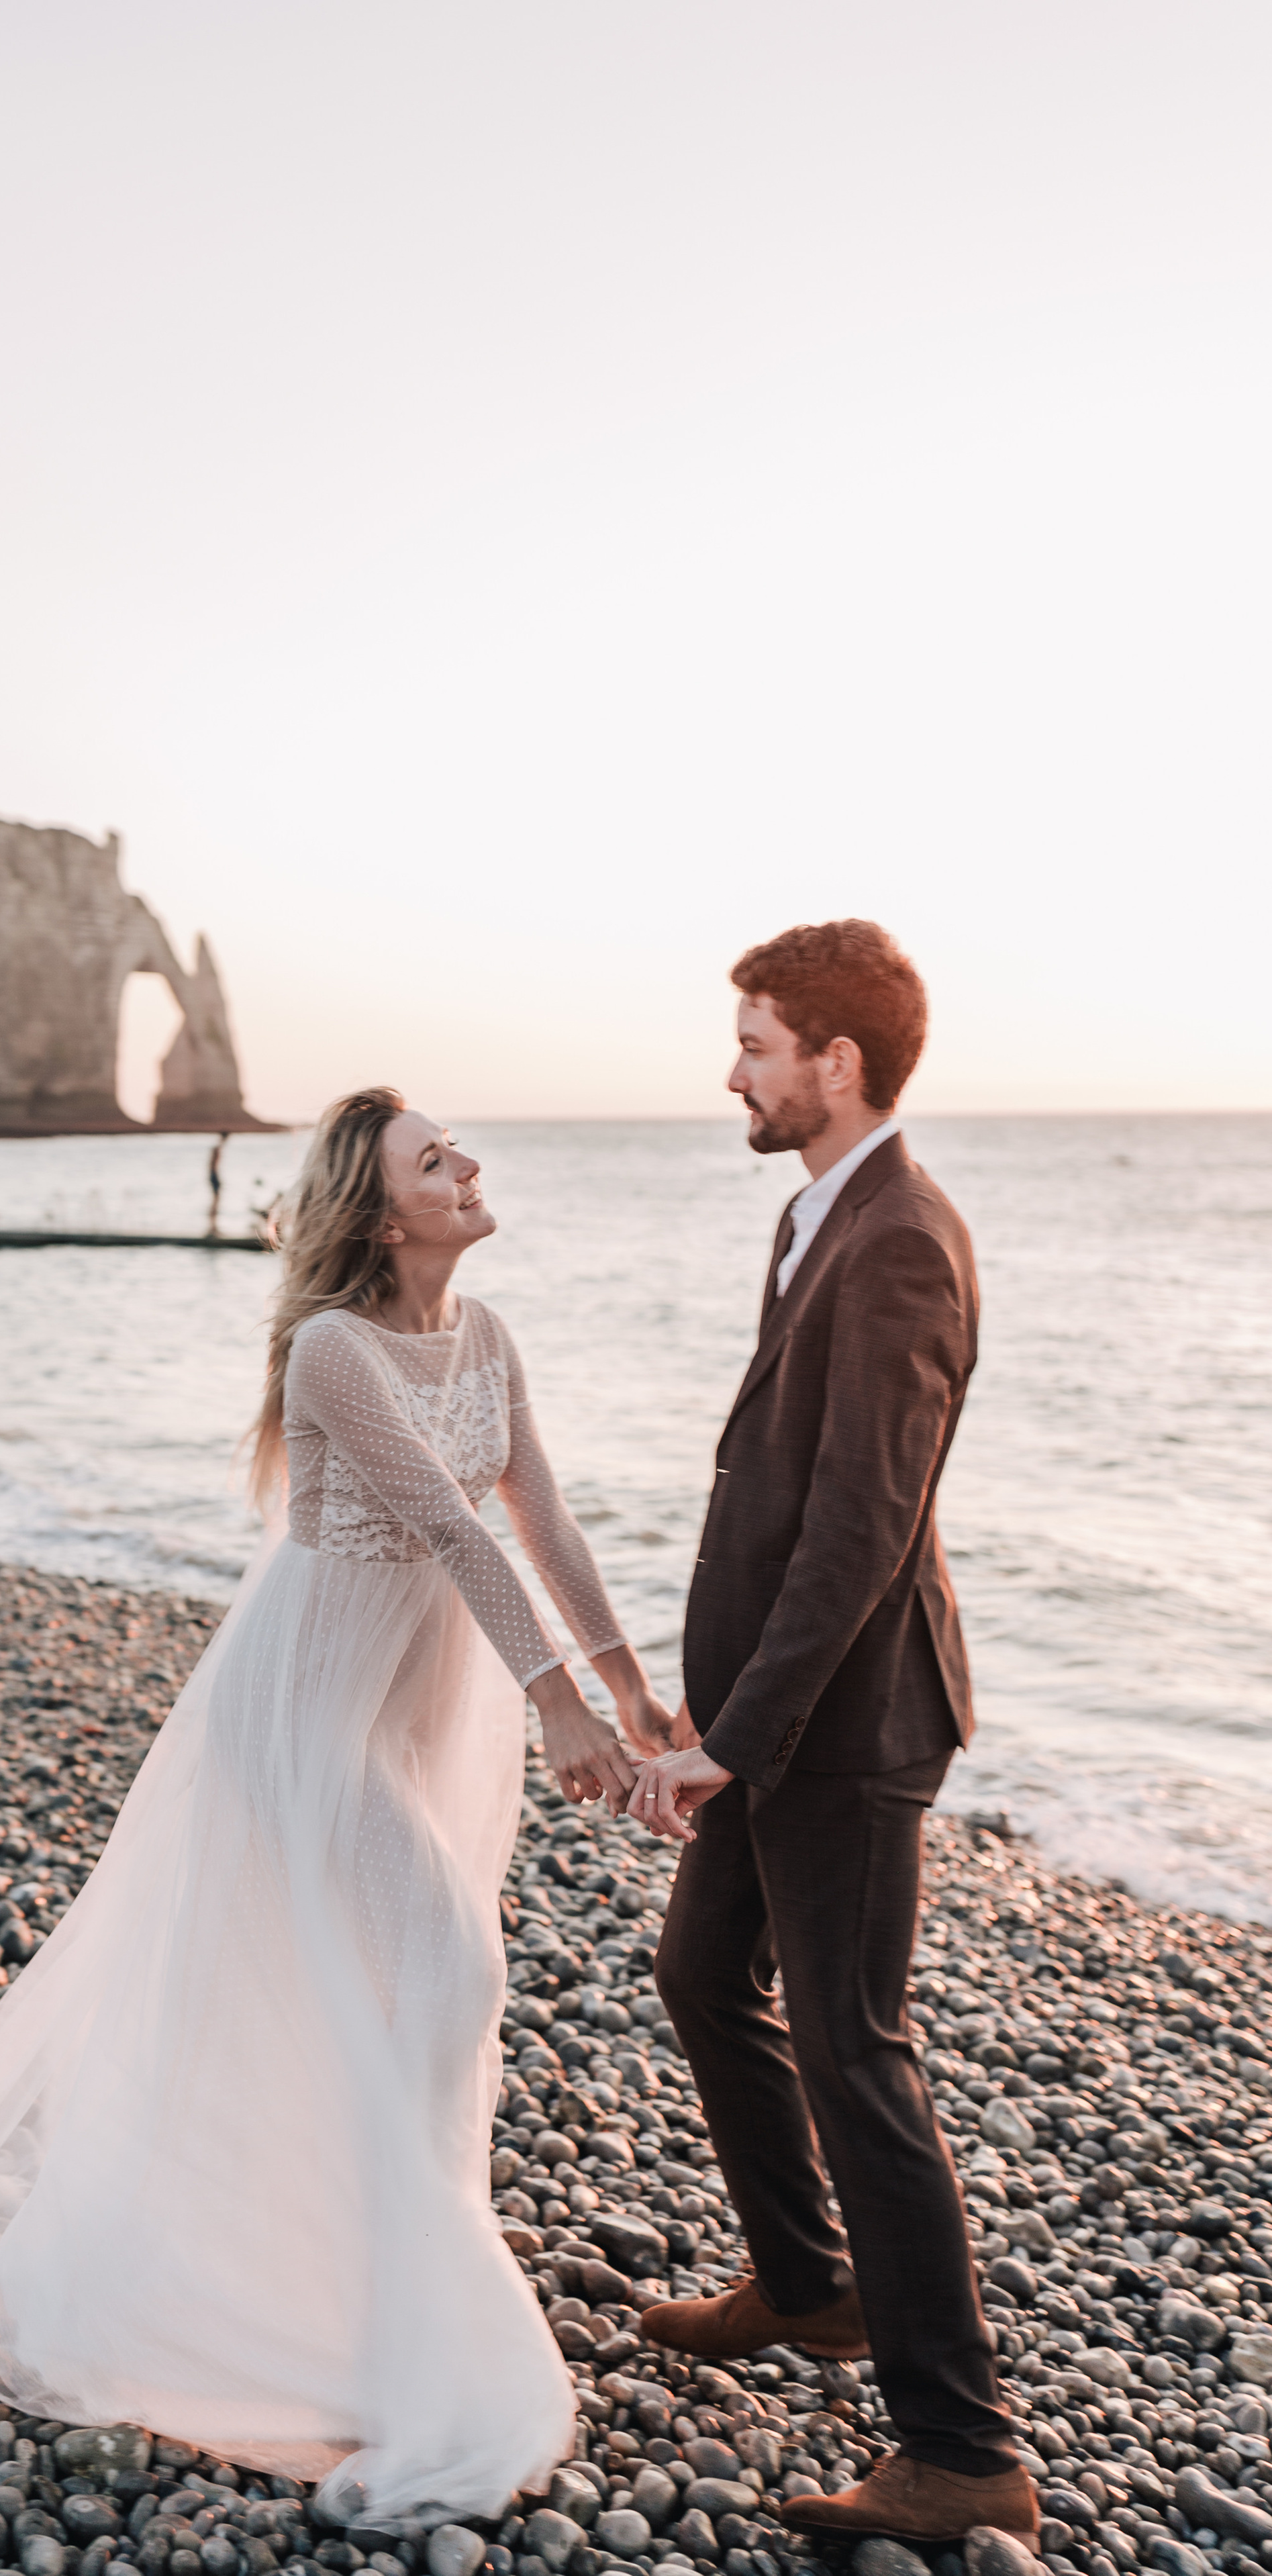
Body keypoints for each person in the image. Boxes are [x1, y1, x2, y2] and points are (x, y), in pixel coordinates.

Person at [0, 1086, 672, 2520]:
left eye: (459, 1148)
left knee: (372, 1996)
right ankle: (404, 2327)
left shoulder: (489, 1337)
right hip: (306, 1715)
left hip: (413, 1707)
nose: (466, 1164)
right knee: (445, 1970)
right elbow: (449, 1526)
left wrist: (633, 1686)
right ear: (384, 1208)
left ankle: (334, 2288)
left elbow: (541, 1514)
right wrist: (556, 1698)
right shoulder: (333, 1347)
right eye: (433, 1158)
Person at [628, 921, 1038, 2546]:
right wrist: (711, 1711)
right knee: (697, 1976)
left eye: (751, 1040)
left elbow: (860, 1523)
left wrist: (744, 1733)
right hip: (768, 1717)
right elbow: (785, 1497)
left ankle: (960, 2442)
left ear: (834, 1063)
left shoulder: (899, 1242)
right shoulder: (826, 1216)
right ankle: (806, 2283)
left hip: (847, 1725)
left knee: (856, 2052)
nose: (731, 1068)